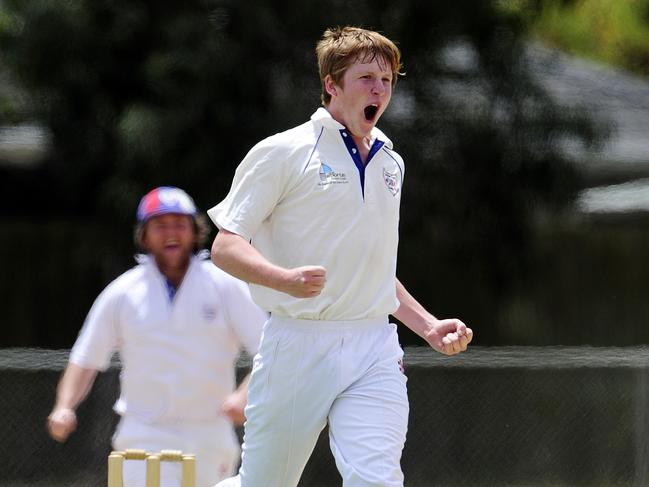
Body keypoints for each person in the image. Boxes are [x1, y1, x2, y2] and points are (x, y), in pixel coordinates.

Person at [208, 27, 473, 487]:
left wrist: (427, 325)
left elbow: (374, 271)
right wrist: (283, 279)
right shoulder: (283, 152)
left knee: (378, 481)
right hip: (298, 342)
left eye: (387, 80)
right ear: (332, 84)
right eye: (366, 77)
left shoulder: (391, 161)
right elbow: (225, 247)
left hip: (374, 346)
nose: (379, 89)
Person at [47, 186, 267, 487]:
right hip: (143, 431)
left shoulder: (224, 286)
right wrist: (64, 406)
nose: (171, 233)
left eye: (179, 224)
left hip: (208, 430)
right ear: (144, 235)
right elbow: (85, 358)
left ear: (194, 231)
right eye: (160, 225)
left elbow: (269, 348)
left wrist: (244, 395)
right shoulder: (124, 292)